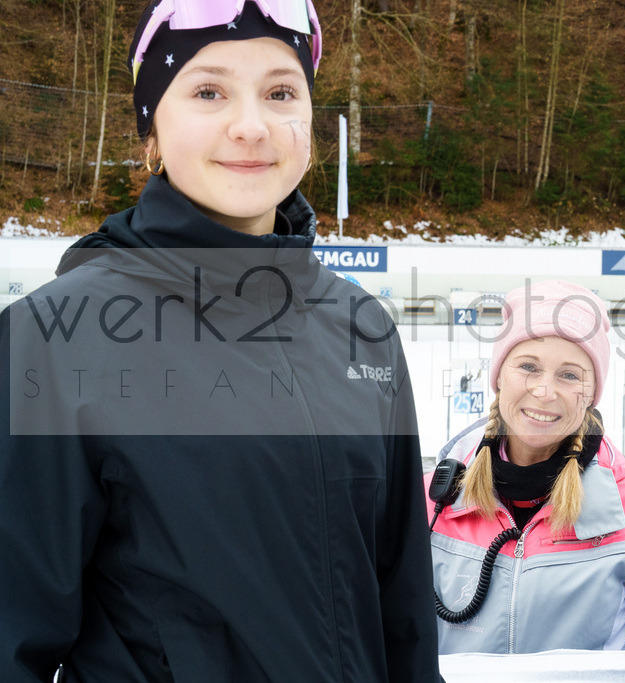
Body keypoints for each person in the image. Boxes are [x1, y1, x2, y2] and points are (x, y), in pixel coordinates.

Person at [0, 2, 439, 681]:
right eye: (208, 91)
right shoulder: (54, 340)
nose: (251, 125)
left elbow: (403, 613)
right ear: (151, 125)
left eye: (280, 93)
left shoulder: (362, 329)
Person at [427, 279, 625, 653]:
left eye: (570, 374)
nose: (544, 391)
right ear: (499, 378)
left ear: (591, 394)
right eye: (528, 366)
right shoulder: (430, 500)